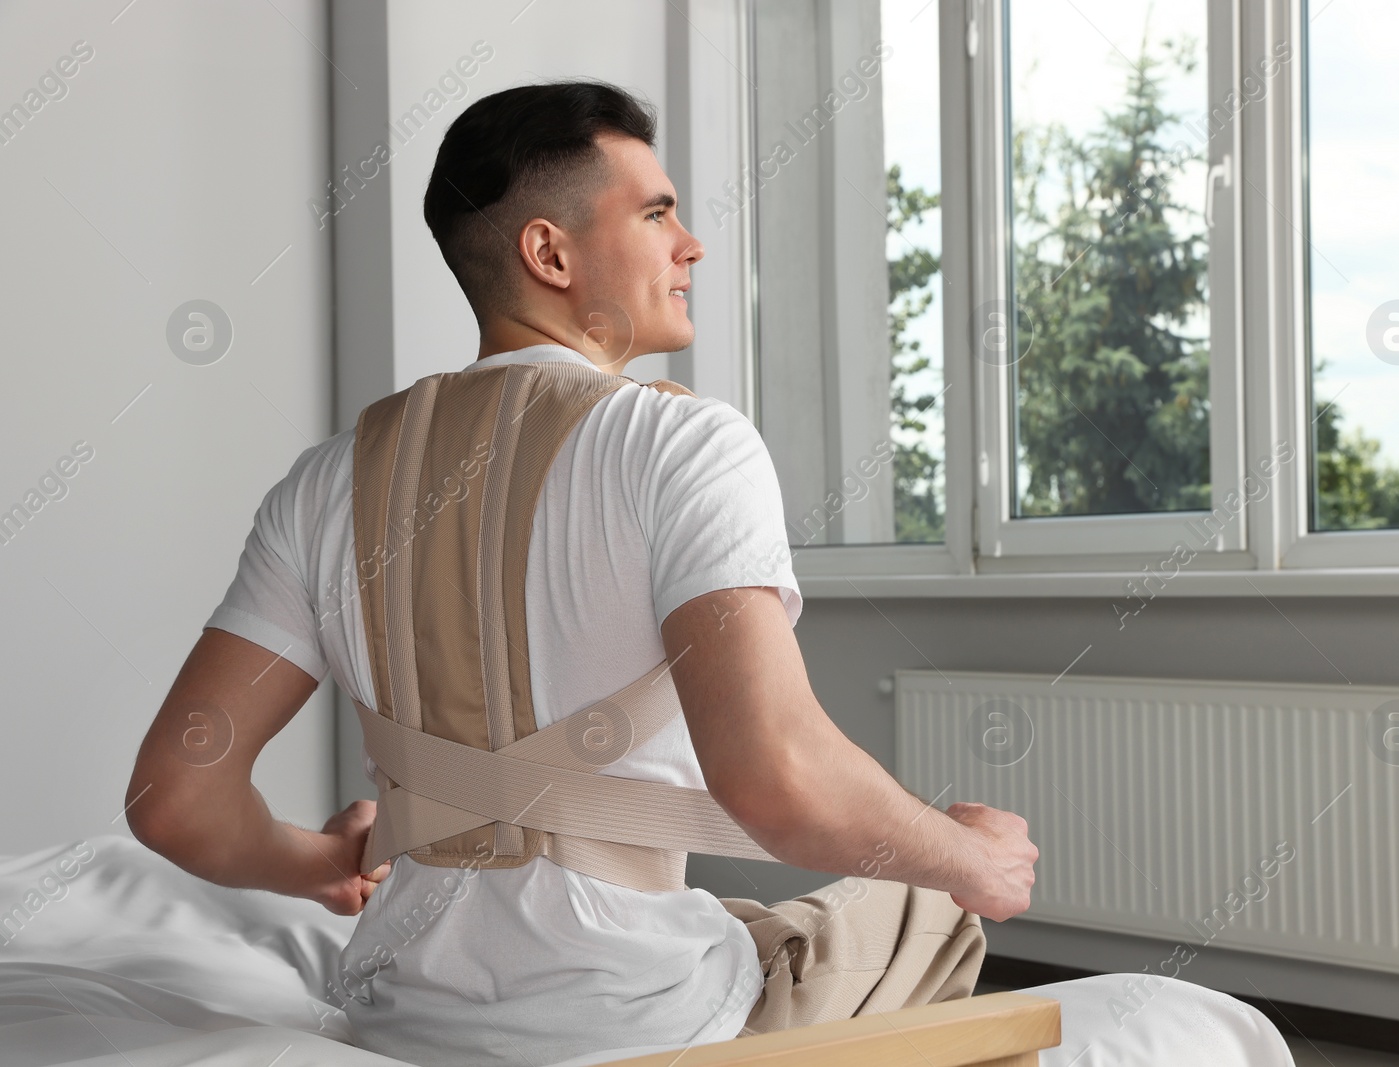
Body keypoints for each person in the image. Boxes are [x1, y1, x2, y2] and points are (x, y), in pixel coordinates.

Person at [122, 79, 1036, 1067]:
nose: (690, 243)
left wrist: (325, 864)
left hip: (403, 1013)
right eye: (656, 214)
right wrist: (973, 859)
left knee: (739, 906)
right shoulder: (683, 442)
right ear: (550, 252)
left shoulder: (322, 481)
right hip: (645, 1023)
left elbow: (174, 799)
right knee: (929, 899)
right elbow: (776, 772)